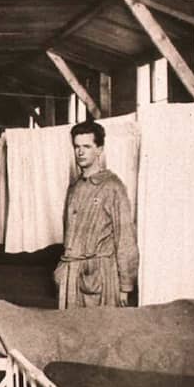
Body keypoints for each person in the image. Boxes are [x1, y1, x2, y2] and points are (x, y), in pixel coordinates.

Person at [54, 120, 138, 309]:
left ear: (99, 149)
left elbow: (126, 238)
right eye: (77, 147)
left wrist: (125, 285)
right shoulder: (74, 188)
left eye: (87, 146)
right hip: (71, 276)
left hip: (100, 278)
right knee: (69, 325)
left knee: (99, 326)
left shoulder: (113, 187)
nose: (80, 152)